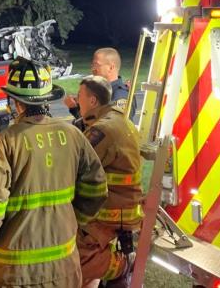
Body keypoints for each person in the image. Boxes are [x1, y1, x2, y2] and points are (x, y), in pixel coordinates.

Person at [0, 57, 108, 288]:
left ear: (16, 102)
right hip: (64, 266)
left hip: (16, 271)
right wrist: (73, 220)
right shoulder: (74, 135)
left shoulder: (5, 142)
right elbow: (96, 188)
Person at [73, 76, 144, 288]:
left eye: (80, 97)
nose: (77, 102)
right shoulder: (119, 119)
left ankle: (123, 265)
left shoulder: (102, 130)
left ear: (93, 101)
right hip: (123, 207)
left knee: (79, 256)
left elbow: (76, 166)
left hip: (110, 212)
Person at [64, 48, 138, 119]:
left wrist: (75, 109)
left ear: (111, 68)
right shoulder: (101, 91)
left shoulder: (120, 96)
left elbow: (106, 128)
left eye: (97, 65)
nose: (93, 69)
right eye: (92, 65)